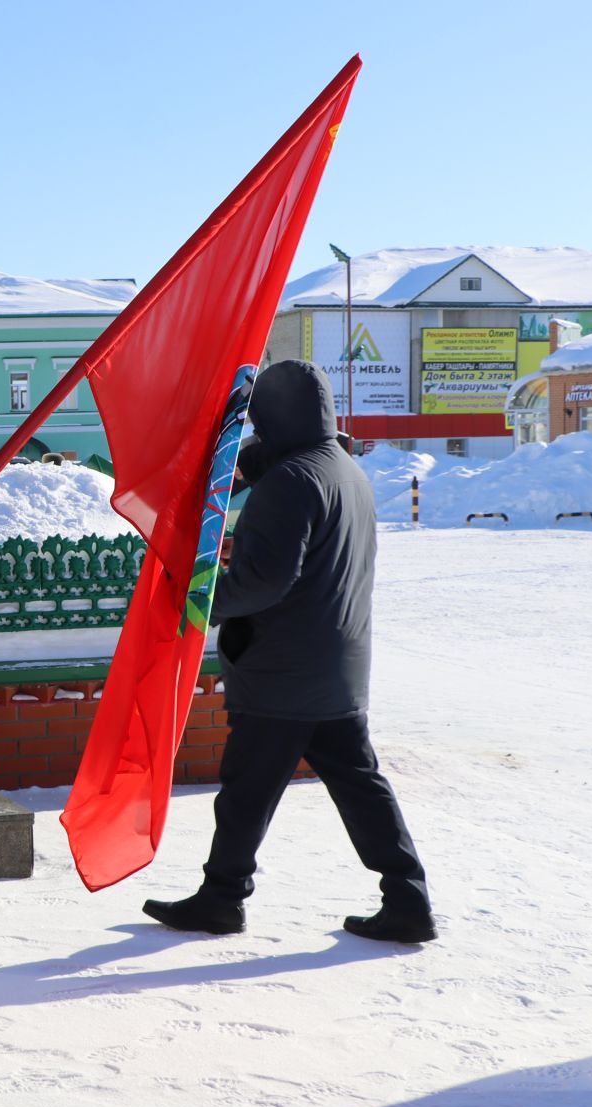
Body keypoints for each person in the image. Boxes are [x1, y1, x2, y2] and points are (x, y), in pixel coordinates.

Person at [142, 359, 434, 944]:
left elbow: (264, 582)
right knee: (360, 787)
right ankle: (408, 898)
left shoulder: (290, 482)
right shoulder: (345, 470)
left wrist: (193, 603)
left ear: (271, 417)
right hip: (337, 666)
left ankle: (222, 899)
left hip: (283, 669)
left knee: (247, 792)